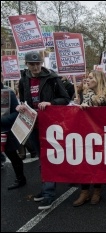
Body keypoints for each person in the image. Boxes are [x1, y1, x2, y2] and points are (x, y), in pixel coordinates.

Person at [16, 51, 70, 210]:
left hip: (50, 125)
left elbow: (65, 98)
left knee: (48, 159)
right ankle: (46, 187)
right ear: (27, 65)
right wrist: (21, 106)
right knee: (42, 159)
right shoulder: (23, 80)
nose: (35, 67)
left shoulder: (52, 78)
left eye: (37, 64)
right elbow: (24, 100)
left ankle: (49, 193)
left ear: (42, 63)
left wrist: (50, 103)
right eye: (32, 64)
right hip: (32, 124)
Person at [72, 70, 106, 207]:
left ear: (98, 80)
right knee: (84, 162)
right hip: (84, 134)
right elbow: (71, 111)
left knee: (98, 162)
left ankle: (97, 190)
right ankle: (84, 192)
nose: (88, 80)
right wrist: (78, 106)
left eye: (91, 78)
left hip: (101, 135)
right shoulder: (81, 94)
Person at [1, 75, 26, 189]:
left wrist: (2, 120)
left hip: (6, 131)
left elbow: (17, 113)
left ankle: (20, 179)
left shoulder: (8, 93)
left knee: (13, 156)